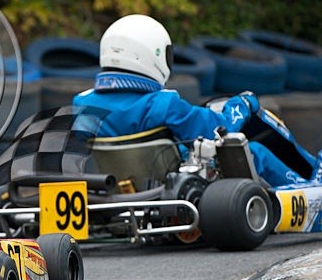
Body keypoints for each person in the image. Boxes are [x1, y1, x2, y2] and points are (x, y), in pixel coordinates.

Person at [72, 14, 318, 187]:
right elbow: (218, 129)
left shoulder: (82, 105)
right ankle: (308, 185)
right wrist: (243, 104)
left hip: (119, 187)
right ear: (151, 55)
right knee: (255, 152)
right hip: (172, 183)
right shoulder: (162, 104)